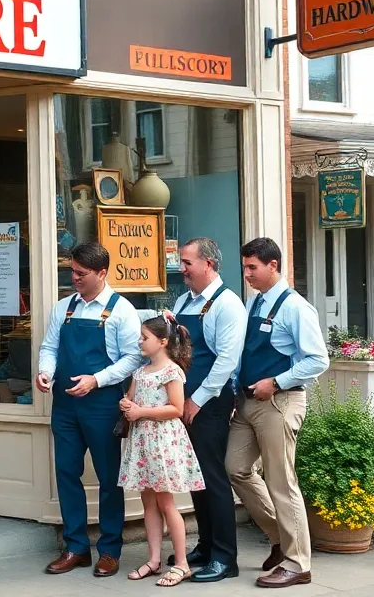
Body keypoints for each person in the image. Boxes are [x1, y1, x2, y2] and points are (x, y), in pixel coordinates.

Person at [37, 242, 143, 578]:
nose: (75, 278)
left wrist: (96, 380)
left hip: (102, 405)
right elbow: (49, 347)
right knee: (66, 473)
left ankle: (110, 549)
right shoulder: (63, 308)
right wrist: (45, 372)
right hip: (65, 405)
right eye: (72, 271)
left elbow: (133, 358)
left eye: (81, 273)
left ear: (101, 272)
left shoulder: (121, 310)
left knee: (109, 478)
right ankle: (76, 547)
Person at [228, 238, 328, 589]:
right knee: (235, 468)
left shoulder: (296, 308)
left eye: (252, 267)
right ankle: (280, 540)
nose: (247, 274)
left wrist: (276, 382)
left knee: (281, 482)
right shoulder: (254, 302)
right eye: (245, 267)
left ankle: (298, 563)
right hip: (247, 402)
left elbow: (318, 360)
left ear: (273, 265)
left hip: (280, 402)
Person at [164, 238, 247, 583]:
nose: (181, 268)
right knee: (195, 477)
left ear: (208, 264)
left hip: (209, 403)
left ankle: (225, 559)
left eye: (187, 262)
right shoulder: (184, 300)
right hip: (183, 401)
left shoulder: (228, 304)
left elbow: (226, 360)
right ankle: (207, 545)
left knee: (213, 478)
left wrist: (196, 400)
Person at [118, 315, 205, 587]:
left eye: (145, 337)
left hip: (162, 442)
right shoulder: (140, 372)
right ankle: (154, 559)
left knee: (166, 503)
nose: (140, 341)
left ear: (163, 341)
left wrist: (141, 411)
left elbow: (176, 408)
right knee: (148, 502)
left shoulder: (171, 371)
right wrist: (126, 404)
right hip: (143, 441)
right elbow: (131, 397)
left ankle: (181, 563)